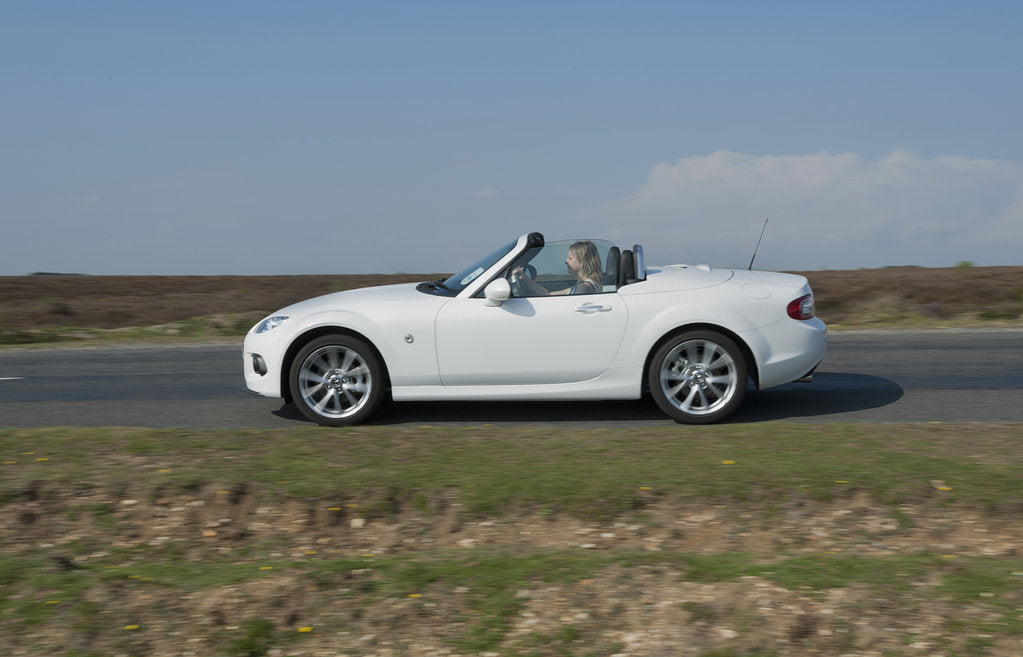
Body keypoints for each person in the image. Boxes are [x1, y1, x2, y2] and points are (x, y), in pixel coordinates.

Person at [513, 241, 603, 296]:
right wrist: (525, 278)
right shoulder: (579, 286)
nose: (566, 261)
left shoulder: (584, 287)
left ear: (583, 261)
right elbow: (547, 294)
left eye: (570, 258)